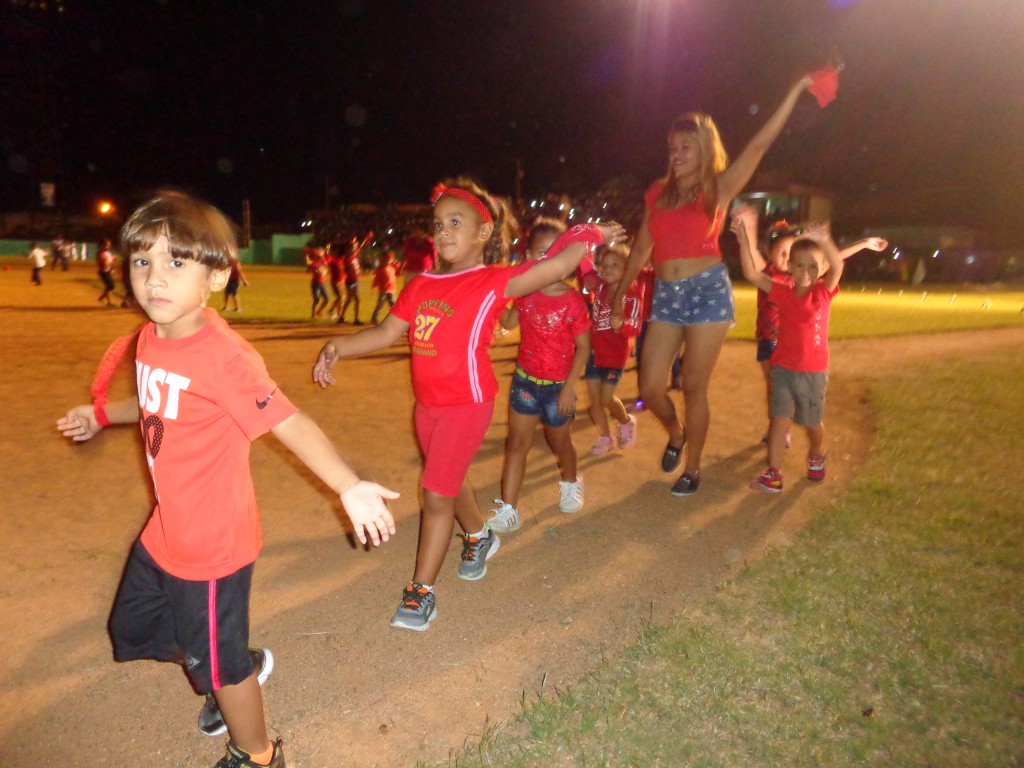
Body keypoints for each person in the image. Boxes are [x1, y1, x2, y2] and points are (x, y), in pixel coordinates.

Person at [56, 191, 397, 768]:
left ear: (217, 278)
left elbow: (290, 421)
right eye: (142, 261)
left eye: (176, 263)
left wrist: (348, 484)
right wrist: (101, 415)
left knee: (218, 662)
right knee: (132, 628)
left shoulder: (225, 357)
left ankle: (259, 753)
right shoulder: (150, 338)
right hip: (166, 529)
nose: (154, 279)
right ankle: (225, 658)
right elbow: (150, 404)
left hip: (212, 545)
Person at [313, 177, 623, 632]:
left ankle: (421, 591)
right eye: (438, 224)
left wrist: (593, 235)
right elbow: (383, 333)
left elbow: (556, 268)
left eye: (455, 223)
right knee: (450, 479)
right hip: (428, 406)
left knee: (435, 493)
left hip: (467, 402)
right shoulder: (421, 285)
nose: (443, 232)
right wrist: (337, 344)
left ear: (483, 233)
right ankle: (479, 537)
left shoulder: (494, 280)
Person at [609, 73, 826, 497]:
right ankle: (675, 433)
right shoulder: (658, 193)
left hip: (707, 290)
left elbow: (759, 145)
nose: (676, 154)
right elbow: (639, 252)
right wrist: (619, 298)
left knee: (693, 384)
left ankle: (693, 469)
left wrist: (796, 89)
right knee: (651, 387)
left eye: (685, 147)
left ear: (705, 149)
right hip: (668, 295)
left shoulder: (717, 186)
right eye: (672, 147)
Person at [487, 218, 592, 533]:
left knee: (559, 441)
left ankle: (571, 481)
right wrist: (500, 303)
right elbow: (508, 320)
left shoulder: (572, 300)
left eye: (552, 253)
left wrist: (569, 388)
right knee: (517, 443)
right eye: (538, 254)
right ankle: (508, 508)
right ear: (527, 256)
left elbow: (584, 348)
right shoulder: (526, 292)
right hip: (525, 383)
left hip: (559, 387)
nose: (544, 261)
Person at [745, 216, 888, 444]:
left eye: (789, 252)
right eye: (780, 252)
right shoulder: (768, 274)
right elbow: (751, 259)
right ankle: (779, 425)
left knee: (785, 386)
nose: (785, 257)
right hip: (768, 339)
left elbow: (834, 259)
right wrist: (747, 230)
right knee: (773, 386)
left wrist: (862, 244)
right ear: (769, 254)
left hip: (791, 344)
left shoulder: (802, 278)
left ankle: (783, 427)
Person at [732, 209, 843, 493]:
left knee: (811, 423)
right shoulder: (781, 291)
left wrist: (824, 239)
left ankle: (816, 455)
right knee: (779, 422)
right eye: (799, 265)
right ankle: (774, 474)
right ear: (790, 267)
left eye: (813, 266)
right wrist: (744, 237)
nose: (806, 272)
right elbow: (751, 274)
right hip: (783, 369)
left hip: (813, 372)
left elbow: (838, 265)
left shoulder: (823, 293)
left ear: (821, 270)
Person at [582, 244, 644, 455]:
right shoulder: (600, 287)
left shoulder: (632, 293)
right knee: (593, 400)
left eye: (615, 264)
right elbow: (585, 268)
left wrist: (623, 325)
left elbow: (635, 326)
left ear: (627, 269)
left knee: (606, 398)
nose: (608, 269)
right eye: (605, 265)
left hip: (615, 355)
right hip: (594, 352)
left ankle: (626, 421)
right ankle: (605, 437)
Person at [339, 234, 370, 325]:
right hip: (350, 281)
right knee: (356, 299)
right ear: (348, 249)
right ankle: (356, 319)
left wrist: (366, 238)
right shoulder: (346, 258)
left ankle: (341, 317)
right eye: (352, 247)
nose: (354, 249)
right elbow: (344, 269)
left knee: (349, 300)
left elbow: (360, 247)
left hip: (355, 280)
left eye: (354, 247)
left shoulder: (354, 255)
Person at [370, 249, 399, 324]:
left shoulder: (393, 267)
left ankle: (395, 318)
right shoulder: (380, 268)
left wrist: (395, 262)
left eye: (389, 259)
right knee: (380, 304)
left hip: (392, 289)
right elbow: (376, 278)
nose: (388, 261)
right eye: (386, 259)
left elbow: (399, 268)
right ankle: (374, 318)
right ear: (382, 259)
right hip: (383, 290)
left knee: (393, 305)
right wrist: (374, 286)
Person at [305, 244, 330, 318]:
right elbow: (310, 264)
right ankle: (313, 315)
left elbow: (324, 270)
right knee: (316, 299)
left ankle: (318, 311)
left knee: (327, 299)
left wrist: (327, 250)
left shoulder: (323, 260)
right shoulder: (315, 261)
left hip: (322, 283)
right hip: (315, 283)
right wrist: (306, 256)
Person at [96, 239, 118, 306]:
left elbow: (110, 262)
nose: (107, 247)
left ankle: (107, 301)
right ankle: (102, 298)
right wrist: (111, 259)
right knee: (110, 286)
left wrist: (112, 260)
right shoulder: (100, 253)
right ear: (101, 245)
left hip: (107, 271)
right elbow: (101, 262)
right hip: (103, 272)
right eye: (106, 245)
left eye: (108, 245)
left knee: (109, 286)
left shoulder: (108, 253)